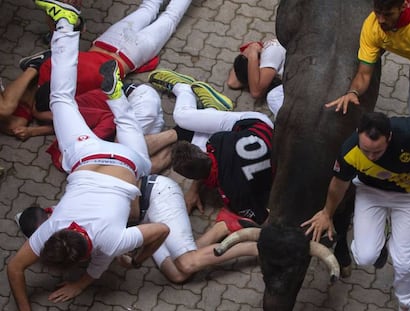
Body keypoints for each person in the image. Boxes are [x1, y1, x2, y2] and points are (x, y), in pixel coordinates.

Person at [7, 3, 169, 309]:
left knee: (127, 126)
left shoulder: (110, 243)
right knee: (60, 99)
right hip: (88, 156)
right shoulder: (50, 229)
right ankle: (67, 27)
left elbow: (161, 230)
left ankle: (116, 93)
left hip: (128, 160)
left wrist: (138, 259)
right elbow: (14, 269)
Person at [16, 174, 259, 284]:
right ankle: (223, 227)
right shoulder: (64, 225)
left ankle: (258, 247)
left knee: (187, 264)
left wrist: (136, 261)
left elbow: (161, 230)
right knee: (177, 275)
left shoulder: (74, 217)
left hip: (157, 195)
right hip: (145, 220)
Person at [0, 0, 191, 137]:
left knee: (168, 16)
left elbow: (65, 124)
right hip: (112, 44)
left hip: (130, 52)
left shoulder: (67, 101)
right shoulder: (53, 72)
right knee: (150, 8)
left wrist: (34, 127)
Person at [301, 112, 410, 311]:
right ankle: (382, 238)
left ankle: (406, 303)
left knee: (404, 263)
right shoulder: (349, 150)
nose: (370, 157)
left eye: (377, 152)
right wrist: (327, 213)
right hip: (371, 193)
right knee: (365, 256)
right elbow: (338, 185)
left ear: (389, 138)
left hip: (408, 197)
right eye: (366, 151)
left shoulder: (409, 133)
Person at [148, 69, 274, 243]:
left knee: (181, 117)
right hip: (260, 126)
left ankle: (184, 88)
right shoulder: (217, 141)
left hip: (257, 130)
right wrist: (193, 190)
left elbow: (263, 219)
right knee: (193, 127)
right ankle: (212, 108)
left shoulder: (231, 192)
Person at [326, 0, 410, 116]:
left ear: (403, 6)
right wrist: (353, 92)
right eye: (378, 12)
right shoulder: (371, 27)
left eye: (388, 14)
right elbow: (364, 74)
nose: (381, 20)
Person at [226, 37, 286, 117]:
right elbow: (232, 83)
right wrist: (249, 53)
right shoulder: (262, 56)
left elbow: (256, 93)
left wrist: (252, 56)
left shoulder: (271, 52)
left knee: (273, 97)